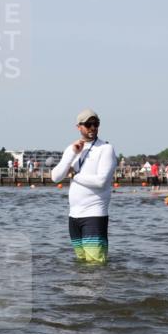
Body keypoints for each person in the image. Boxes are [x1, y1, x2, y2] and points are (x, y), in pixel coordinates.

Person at [50, 109, 118, 263]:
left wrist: (74, 175)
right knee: (81, 263)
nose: (92, 128)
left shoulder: (106, 149)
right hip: (74, 216)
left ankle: (99, 287)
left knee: (95, 264)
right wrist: (72, 153)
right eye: (88, 124)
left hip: (94, 214)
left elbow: (101, 181)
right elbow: (55, 177)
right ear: (79, 127)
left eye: (96, 124)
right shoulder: (72, 148)